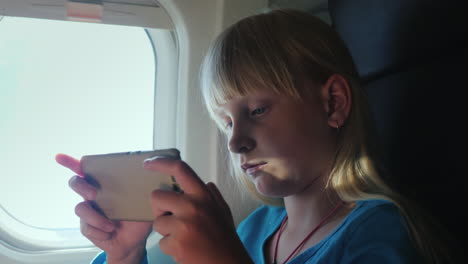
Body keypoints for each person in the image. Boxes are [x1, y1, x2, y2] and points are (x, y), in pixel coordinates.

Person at [56, 8, 458, 264]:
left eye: (258, 111)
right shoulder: (255, 228)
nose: (236, 143)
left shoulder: (381, 236)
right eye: (227, 122)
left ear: (333, 103)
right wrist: (125, 253)